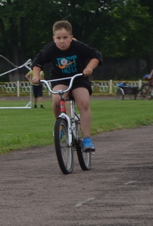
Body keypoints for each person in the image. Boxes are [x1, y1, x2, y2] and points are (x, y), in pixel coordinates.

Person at [31, 20, 102, 152]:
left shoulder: (78, 46)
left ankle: (87, 139)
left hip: (79, 78)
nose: (62, 41)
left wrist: (89, 68)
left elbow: (96, 56)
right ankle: (61, 125)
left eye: (65, 37)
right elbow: (37, 63)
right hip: (60, 78)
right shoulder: (50, 49)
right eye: (58, 38)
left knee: (84, 103)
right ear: (54, 38)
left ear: (71, 37)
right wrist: (36, 76)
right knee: (57, 99)